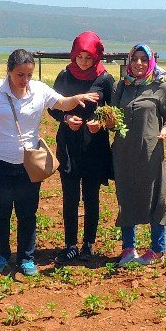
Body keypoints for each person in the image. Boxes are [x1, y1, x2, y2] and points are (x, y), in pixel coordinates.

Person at [0, 49, 99, 276]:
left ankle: (26, 257)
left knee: (27, 213)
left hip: (28, 164)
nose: (24, 80)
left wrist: (78, 98)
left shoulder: (40, 90)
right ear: (9, 71)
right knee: (0, 212)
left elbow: (61, 103)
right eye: (20, 75)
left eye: (29, 75)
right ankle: (1, 255)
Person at [49, 32, 115, 265]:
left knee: (91, 195)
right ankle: (70, 245)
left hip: (94, 144)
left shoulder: (105, 79)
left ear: (97, 56)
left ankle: (88, 243)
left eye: (89, 57)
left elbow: (114, 110)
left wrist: (102, 121)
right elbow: (52, 105)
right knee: (70, 195)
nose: (84, 62)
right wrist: (66, 117)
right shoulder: (64, 76)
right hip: (68, 142)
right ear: (73, 55)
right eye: (80, 56)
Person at [112, 45, 166, 267]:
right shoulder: (121, 86)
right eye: (135, 59)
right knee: (126, 195)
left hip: (150, 151)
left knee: (155, 196)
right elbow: (113, 117)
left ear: (150, 61)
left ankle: (157, 248)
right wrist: (105, 121)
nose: (138, 63)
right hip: (124, 152)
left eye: (143, 59)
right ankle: (128, 248)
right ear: (129, 61)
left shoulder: (160, 86)